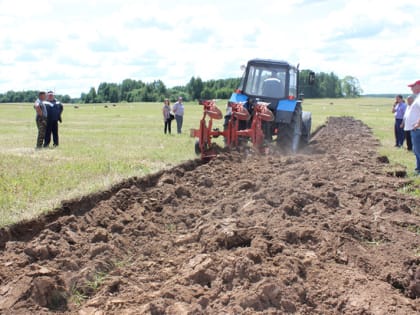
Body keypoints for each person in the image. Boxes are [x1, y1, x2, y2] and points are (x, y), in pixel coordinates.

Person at [406, 80, 420, 174]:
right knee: (416, 150)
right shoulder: (418, 97)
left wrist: (418, 124)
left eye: (413, 86)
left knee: (418, 150)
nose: (411, 88)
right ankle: (418, 169)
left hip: (418, 129)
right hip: (416, 129)